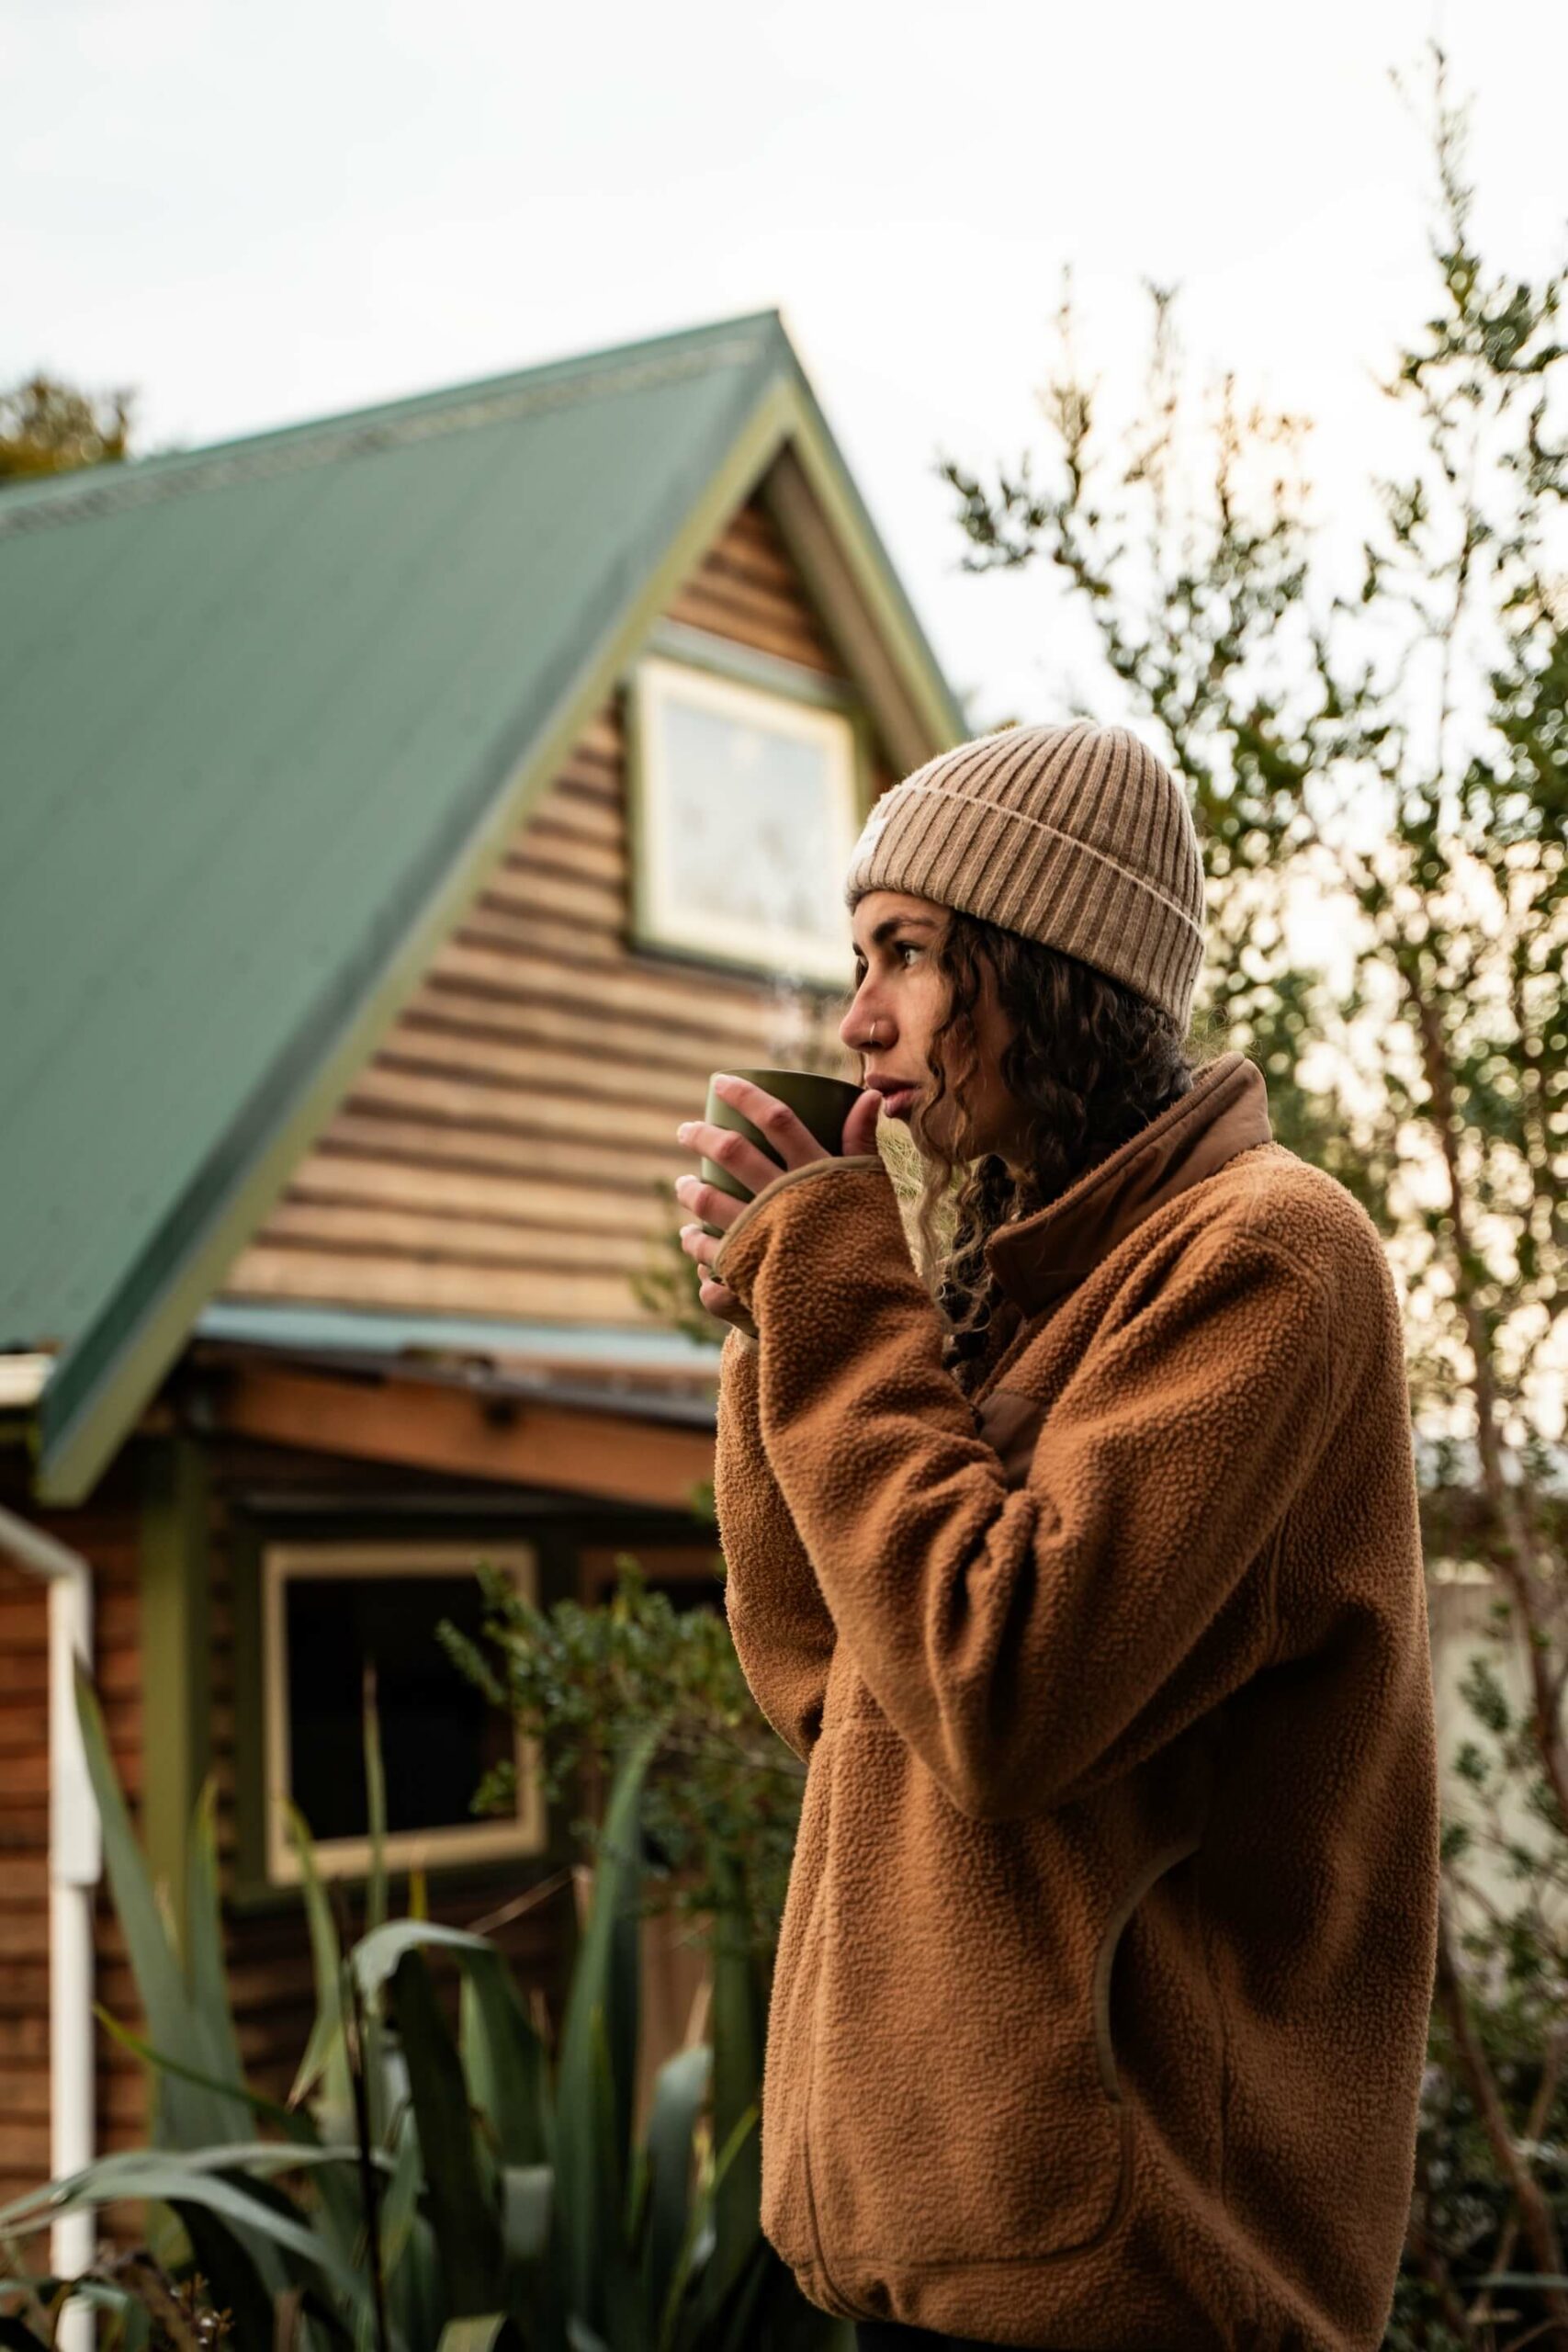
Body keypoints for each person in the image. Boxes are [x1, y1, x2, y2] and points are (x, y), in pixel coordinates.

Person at [671, 720, 1440, 2352]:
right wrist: (775, 1319)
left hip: (1142, 2283)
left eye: (907, 957)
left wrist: (830, 1284)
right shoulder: (1013, 1295)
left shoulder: (1269, 1263)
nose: (861, 1016)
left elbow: (999, 1694)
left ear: (1046, 968)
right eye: (856, 956)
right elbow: (834, 1687)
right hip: (952, 2264)